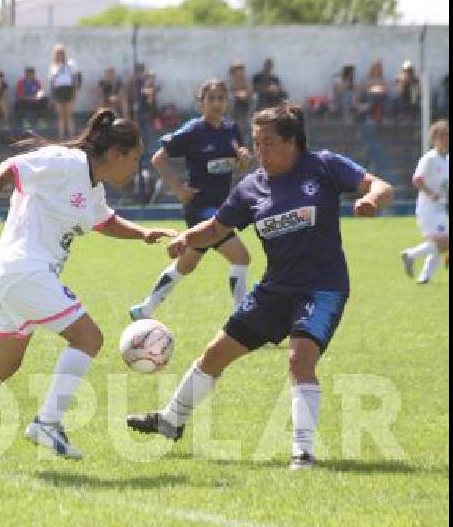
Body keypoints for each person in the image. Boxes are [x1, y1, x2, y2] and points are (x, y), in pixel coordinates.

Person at [127, 103, 394, 470]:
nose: (258, 151)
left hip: (321, 287)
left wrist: (372, 199)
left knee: (299, 358)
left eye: (267, 143)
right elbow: (218, 228)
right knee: (215, 354)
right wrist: (187, 238)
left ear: (292, 142)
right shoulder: (252, 187)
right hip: (274, 289)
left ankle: (303, 452)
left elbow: (380, 184)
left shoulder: (324, 166)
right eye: (255, 142)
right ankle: (172, 421)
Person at [0, 108, 177, 467]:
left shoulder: (93, 187)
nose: (136, 167)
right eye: (135, 158)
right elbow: (9, 168)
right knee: (89, 338)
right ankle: (48, 422)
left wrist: (143, 234)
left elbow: (104, 221)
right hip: (25, 270)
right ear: (115, 153)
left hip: (11, 276)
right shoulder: (67, 163)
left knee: (4, 363)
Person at [130, 80, 251, 320]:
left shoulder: (231, 130)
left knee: (186, 265)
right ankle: (241, 319)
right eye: (211, 98)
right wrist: (179, 190)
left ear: (226, 102)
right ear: (201, 103)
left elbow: (238, 168)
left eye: (221, 98)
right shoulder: (194, 131)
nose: (216, 103)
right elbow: (158, 158)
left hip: (221, 208)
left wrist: (244, 160)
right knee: (241, 257)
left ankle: (144, 309)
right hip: (201, 210)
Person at [401, 119, 449, 283]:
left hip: (440, 208)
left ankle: (425, 277)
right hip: (427, 208)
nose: (445, 138)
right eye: (441, 135)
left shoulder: (447, 159)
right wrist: (430, 194)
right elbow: (417, 180)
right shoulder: (429, 158)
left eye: (447, 135)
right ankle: (410, 255)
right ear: (434, 138)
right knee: (444, 241)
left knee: (440, 243)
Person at [49, 44, 79, 138]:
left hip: (68, 89)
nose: (60, 55)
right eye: (58, 54)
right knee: (61, 116)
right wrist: (52, 96)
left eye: (61, 53)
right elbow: (52, 82)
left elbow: (74, 79)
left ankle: (71, 136)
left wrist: (74, 92)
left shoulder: (70, 64)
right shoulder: (53, 66)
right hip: (58, 91)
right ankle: (61, 137)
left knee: (69, 115)